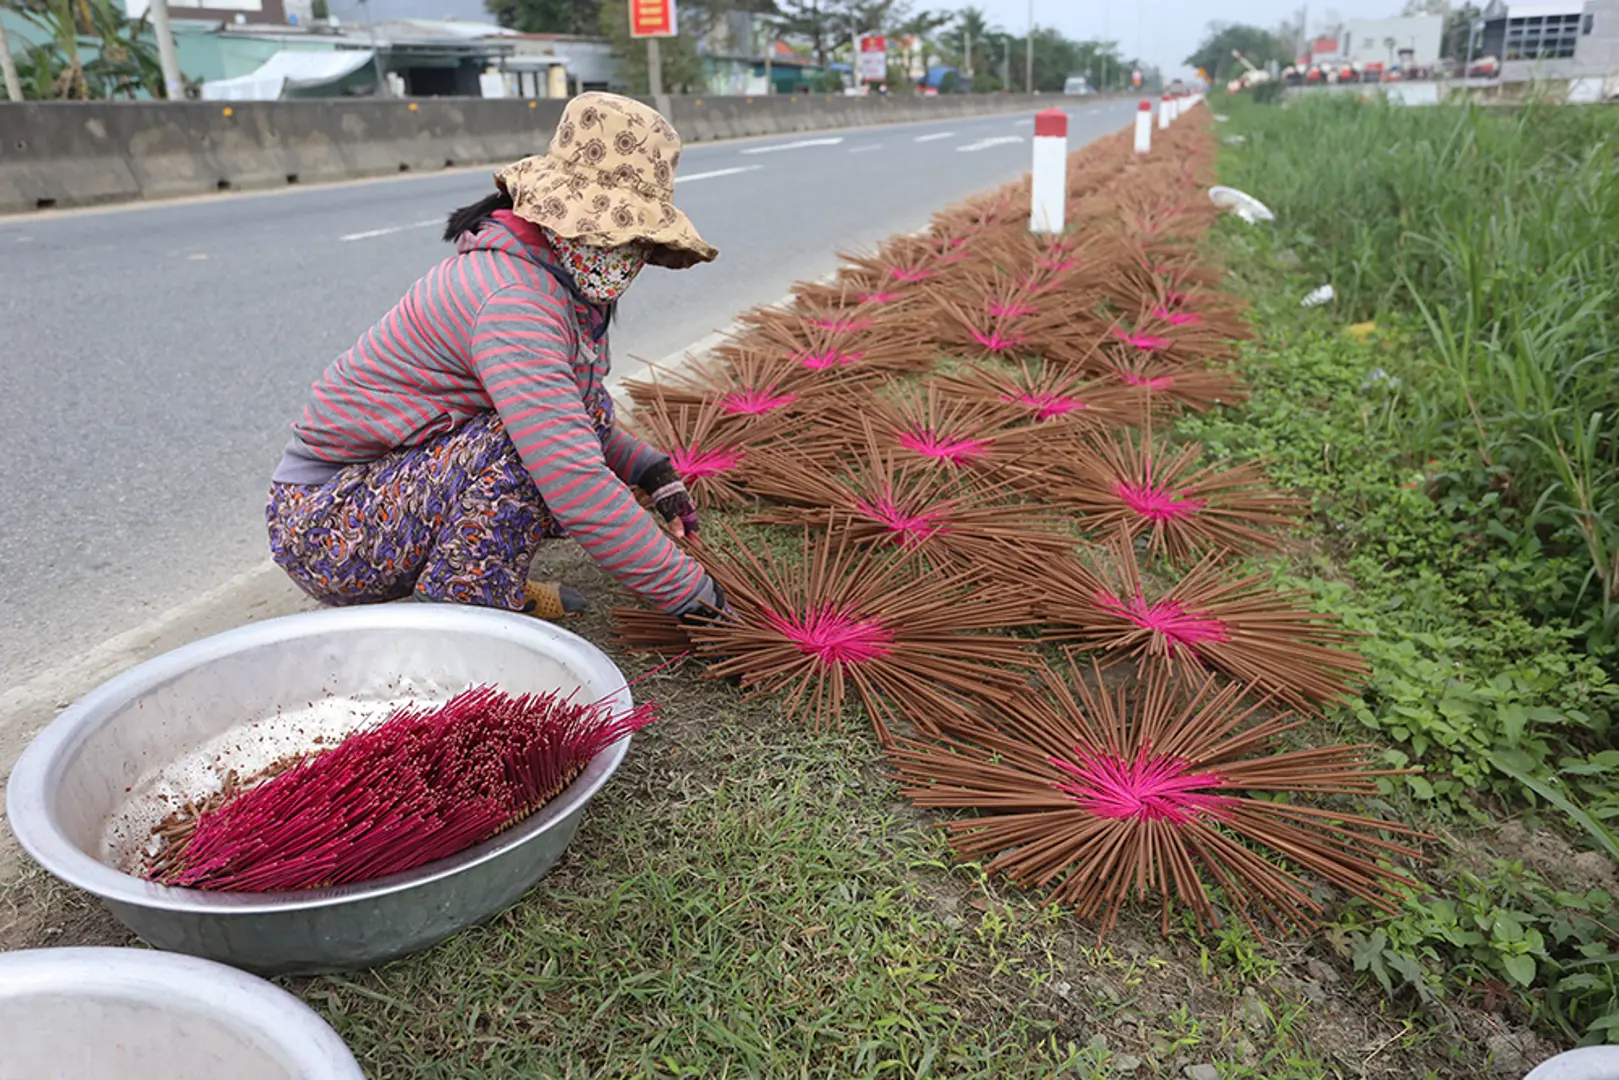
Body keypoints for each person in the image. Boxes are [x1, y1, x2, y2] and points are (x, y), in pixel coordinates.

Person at [266, 93, 724, 622]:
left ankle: (486, 584)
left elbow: (579, 412)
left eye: (633, 239)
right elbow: (573, 479)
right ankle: (468, 608)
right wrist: (693, 598)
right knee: (535, 450)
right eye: (607, 234)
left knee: (571, 416)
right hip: (329, 526)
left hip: (381, 496)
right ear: (560, 215)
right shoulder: (513, 301)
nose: (623, 254)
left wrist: (647, 468)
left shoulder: (547, 279)